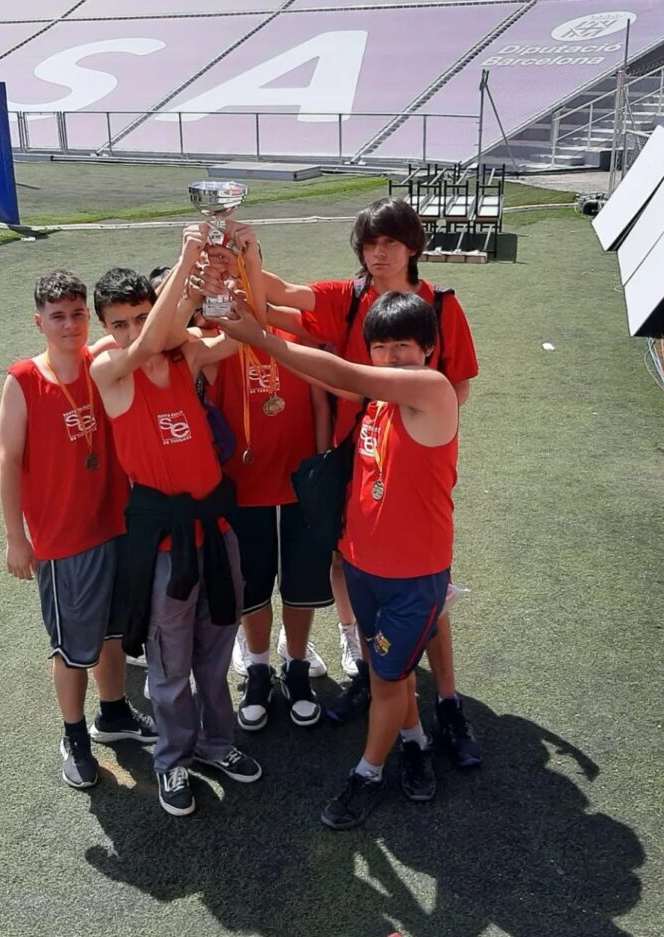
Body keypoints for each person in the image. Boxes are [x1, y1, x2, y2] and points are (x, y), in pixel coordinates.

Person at [206, 196, 481, 767]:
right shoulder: (349, 295)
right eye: (369, 244)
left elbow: (442, 383)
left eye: (391, 243)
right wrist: (242, 255)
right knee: (353, 562)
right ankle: (370, 668)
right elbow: (286, 300)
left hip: (416, 456)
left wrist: (429, 432)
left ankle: (447, 701)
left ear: (413, 246)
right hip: (359, 452)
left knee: (426, 585)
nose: (379, 254)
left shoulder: (440, 305)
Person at [219, 290, 458, 829]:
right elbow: (327, 375)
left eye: (404, 346)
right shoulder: (380, 400)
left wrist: (259, 337)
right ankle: (415, 742)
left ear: (428, 349)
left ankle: (367, 774)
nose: (393, 358)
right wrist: (257, 311)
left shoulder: (432, 388)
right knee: (391, 673)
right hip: (364, 568)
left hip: (412, 575)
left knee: (387, 681)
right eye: (382, 347)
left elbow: (343, 374)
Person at [90, 225, 262, 818]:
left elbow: (242, 337)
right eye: (119, 323)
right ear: (105, 329)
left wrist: (231, 272)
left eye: (141, 316)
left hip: (215, 529)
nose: (133, 331)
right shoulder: (108, 368)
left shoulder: (185, 352)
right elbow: (144, 346)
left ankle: (216, 744)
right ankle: (172, 760)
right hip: (167, 543)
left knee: (216, 647)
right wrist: (187, 261)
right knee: (168, 664)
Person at [0, 270, 157, 791]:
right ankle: (73, 734)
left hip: (115, 524)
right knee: (71, 646)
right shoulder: (25, 379)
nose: (70, 325)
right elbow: (8, 460)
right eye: (58, 316)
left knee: (112, 632)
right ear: (38, 321)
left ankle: (113, 713)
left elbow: (151, 334)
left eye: (78, 314)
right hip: (64, 539)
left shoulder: (100, 361)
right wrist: (16, 538)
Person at [201, 299, 334, 731]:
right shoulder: (218, 341)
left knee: (300, 585)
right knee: (252, 588)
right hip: (243, 491)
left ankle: (296, 665)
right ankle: (258, 668)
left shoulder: (296, 334)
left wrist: (320, 472)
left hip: (298, 489)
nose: (240, 293)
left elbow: (319, 404)